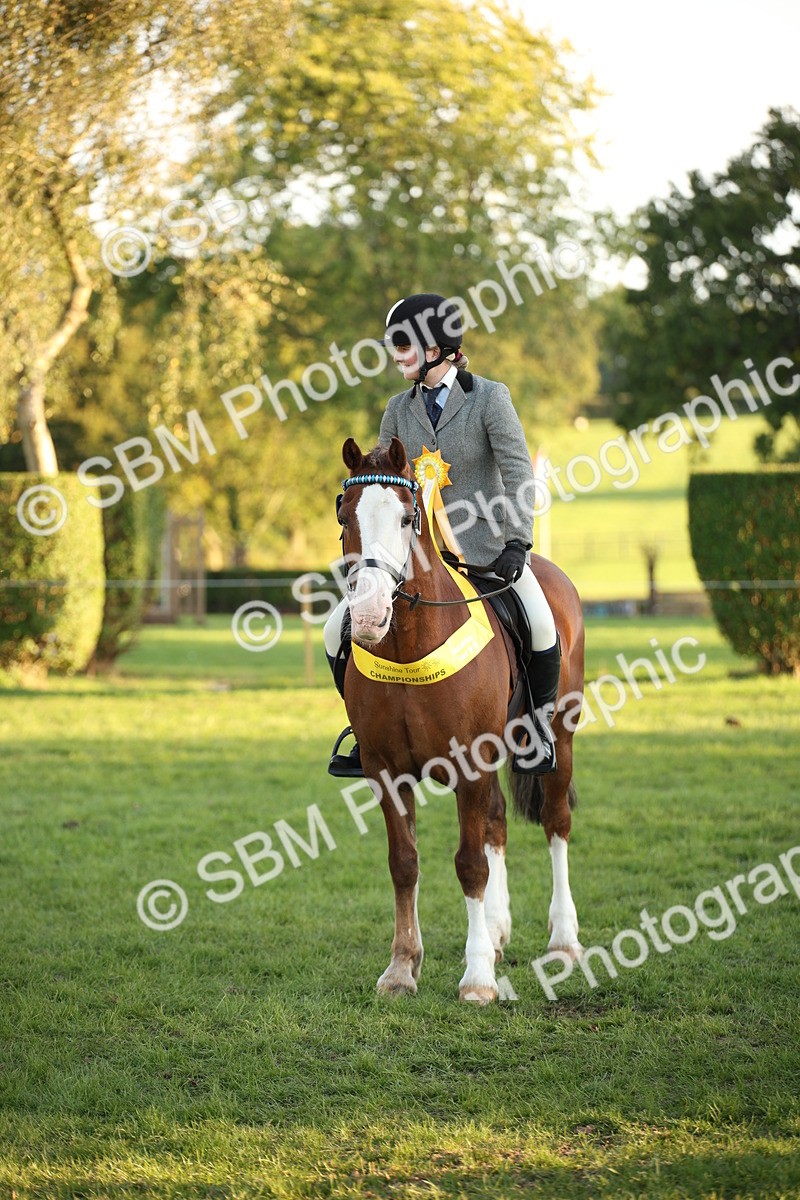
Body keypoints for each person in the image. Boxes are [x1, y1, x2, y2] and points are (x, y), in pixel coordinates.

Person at [324, 292, 560, 778]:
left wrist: (518, 542)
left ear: (435, 350)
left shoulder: (490, 398)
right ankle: (361, 732)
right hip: (417, 559)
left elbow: (518, 474)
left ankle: (537, 729)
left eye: (404, 346)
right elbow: (382, 477)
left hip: (488, 553)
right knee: (336, 630)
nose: (396, 355)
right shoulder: (397, 408)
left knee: (541, 622)